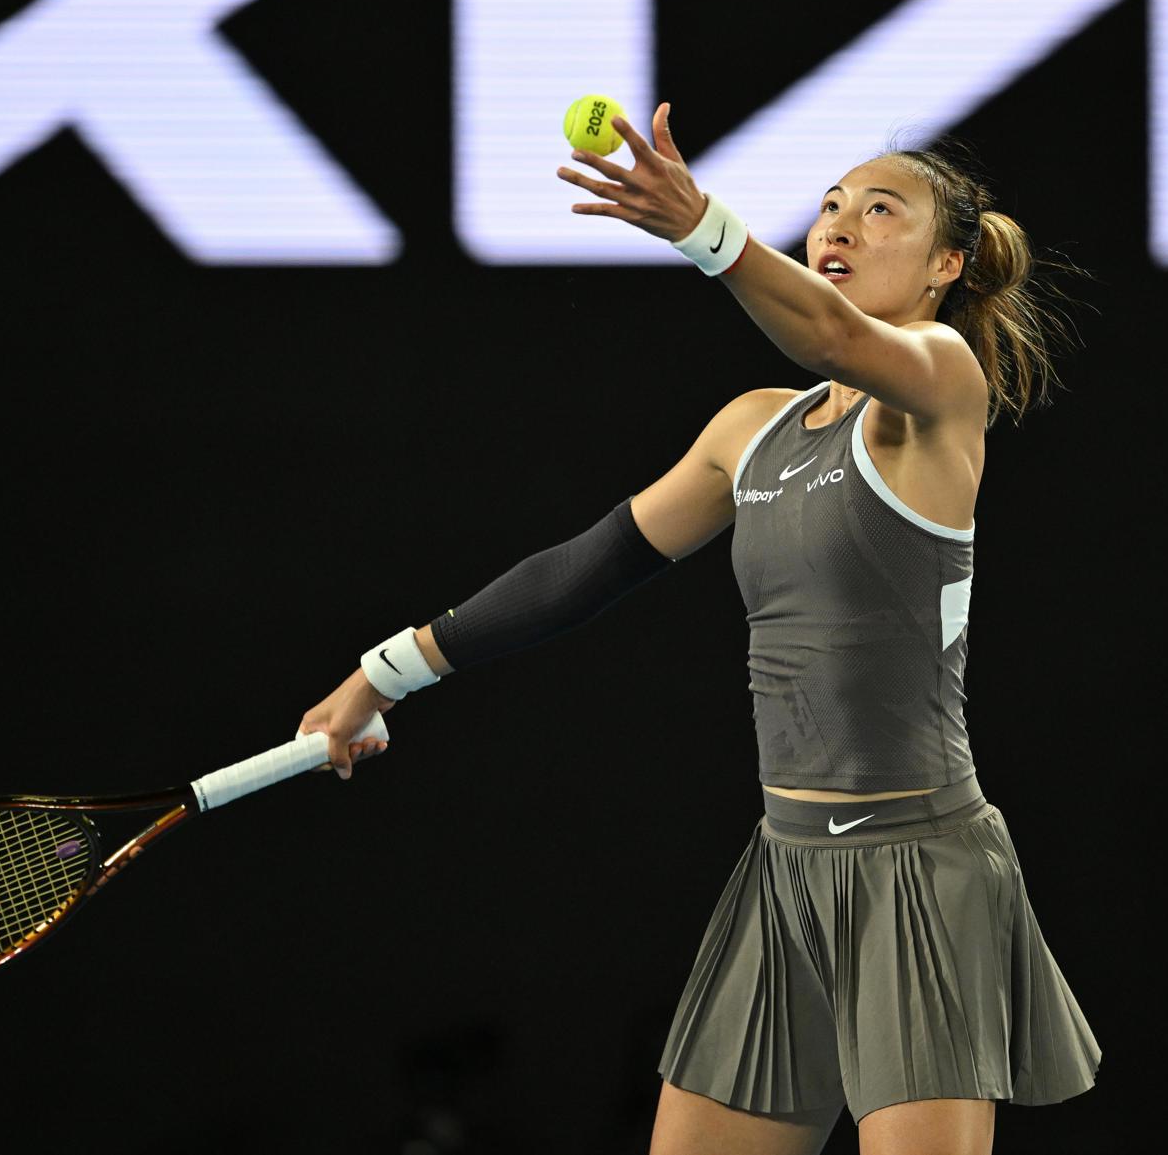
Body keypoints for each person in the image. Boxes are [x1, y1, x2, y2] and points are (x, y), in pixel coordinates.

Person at [300, 102, 1102, 1155]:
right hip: (785, 873)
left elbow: (831, 332)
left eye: (881, 209)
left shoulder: (941, 379)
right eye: (828, 207)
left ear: (948, 264)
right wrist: (385, 671)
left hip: (922, 871)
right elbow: (582, 571)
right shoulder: (748, 429)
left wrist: (700, 227)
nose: (841, 225)